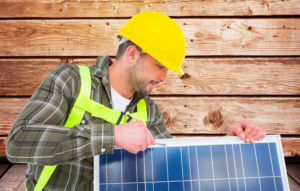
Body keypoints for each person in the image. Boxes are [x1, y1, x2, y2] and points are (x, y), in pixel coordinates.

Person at [6, 11, 265, 191]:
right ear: (132, 54)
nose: (164, 77)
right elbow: (18, 142)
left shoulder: (148, 111)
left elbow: (175, 167)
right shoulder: (71, 80)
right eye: (160, 66)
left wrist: (229, 145)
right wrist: (110, 136)